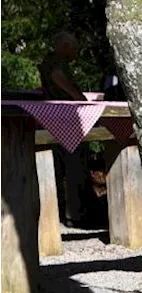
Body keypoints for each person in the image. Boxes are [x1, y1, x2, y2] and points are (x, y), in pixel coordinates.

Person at [40, 31, 88, 227]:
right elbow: (57, 76)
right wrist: (76, 95)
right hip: (66, 118)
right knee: (74, 165)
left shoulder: (49, 60)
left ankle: (63, 212)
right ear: (64, 46)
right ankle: (75, 214)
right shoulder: (57, 61)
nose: (75, 52)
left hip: (55, 119)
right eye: (73, 47)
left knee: (59, 167)